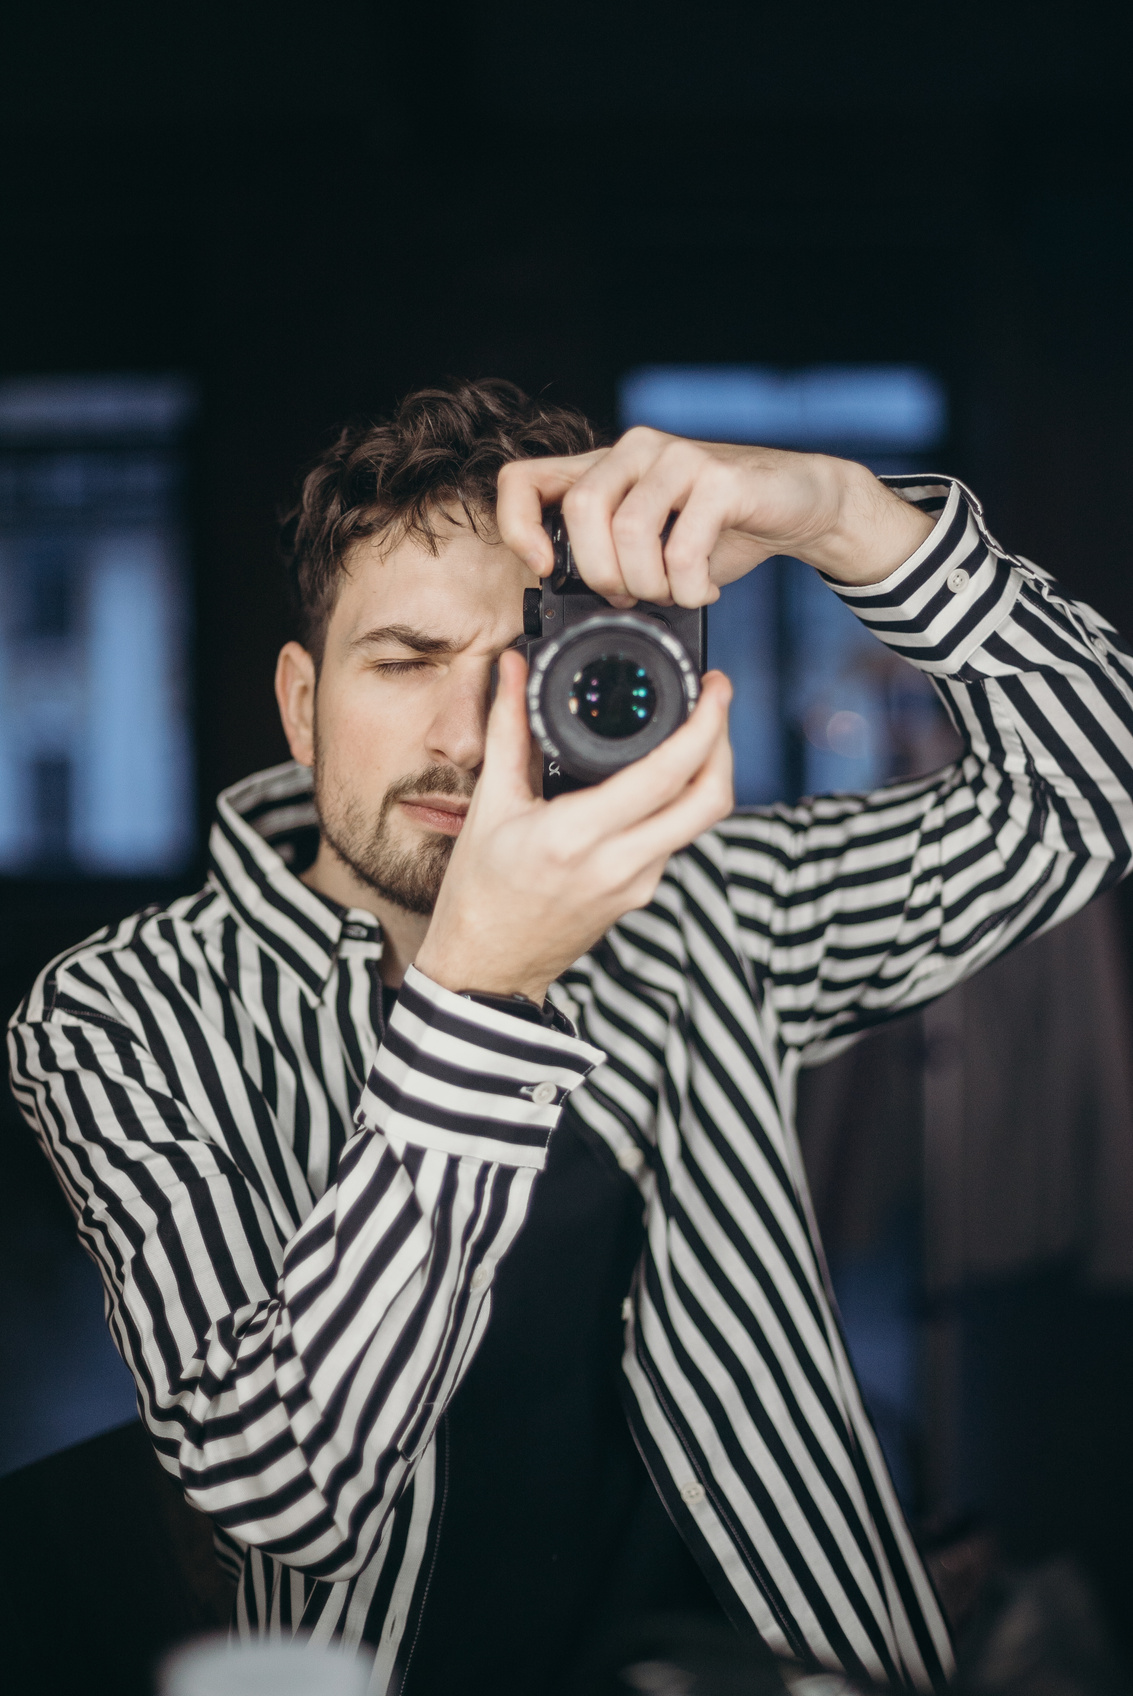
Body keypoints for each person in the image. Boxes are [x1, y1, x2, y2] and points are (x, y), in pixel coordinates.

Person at [9, 380, 1133, 1696]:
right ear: (301, 703)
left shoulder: (707, 903)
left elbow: (1090, 789)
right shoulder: (121, 1010)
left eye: (523, 667)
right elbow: (273, 1488)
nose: (468, 737)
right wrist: (482, 990)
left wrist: (845, 515)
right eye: (405, 660)